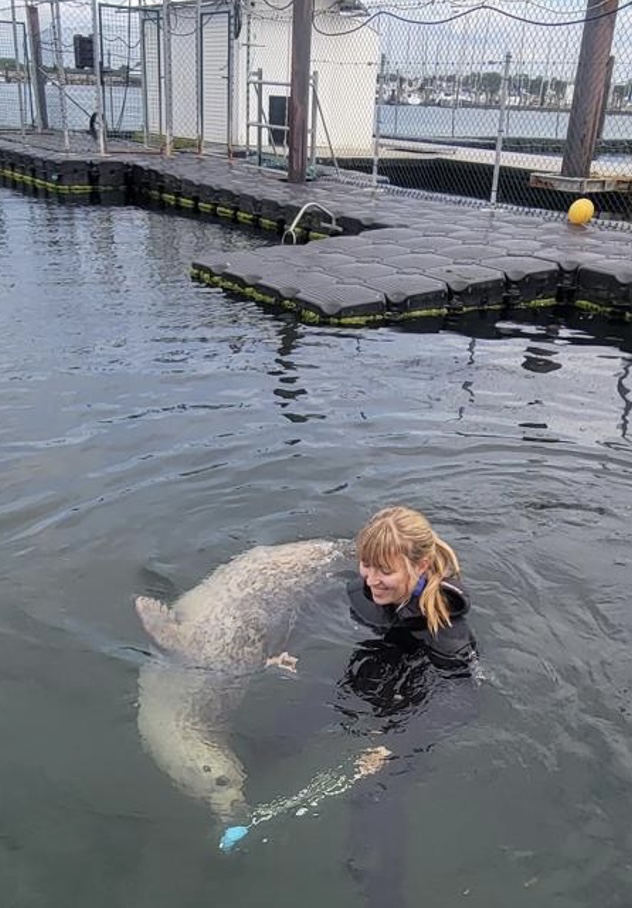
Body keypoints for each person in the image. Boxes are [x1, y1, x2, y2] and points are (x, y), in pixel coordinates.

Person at [346, 505, 476, 671]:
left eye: (385, 571)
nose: (371, 581)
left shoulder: (450, 643)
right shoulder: (360, 592)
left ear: (421, 566)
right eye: (366, 564)